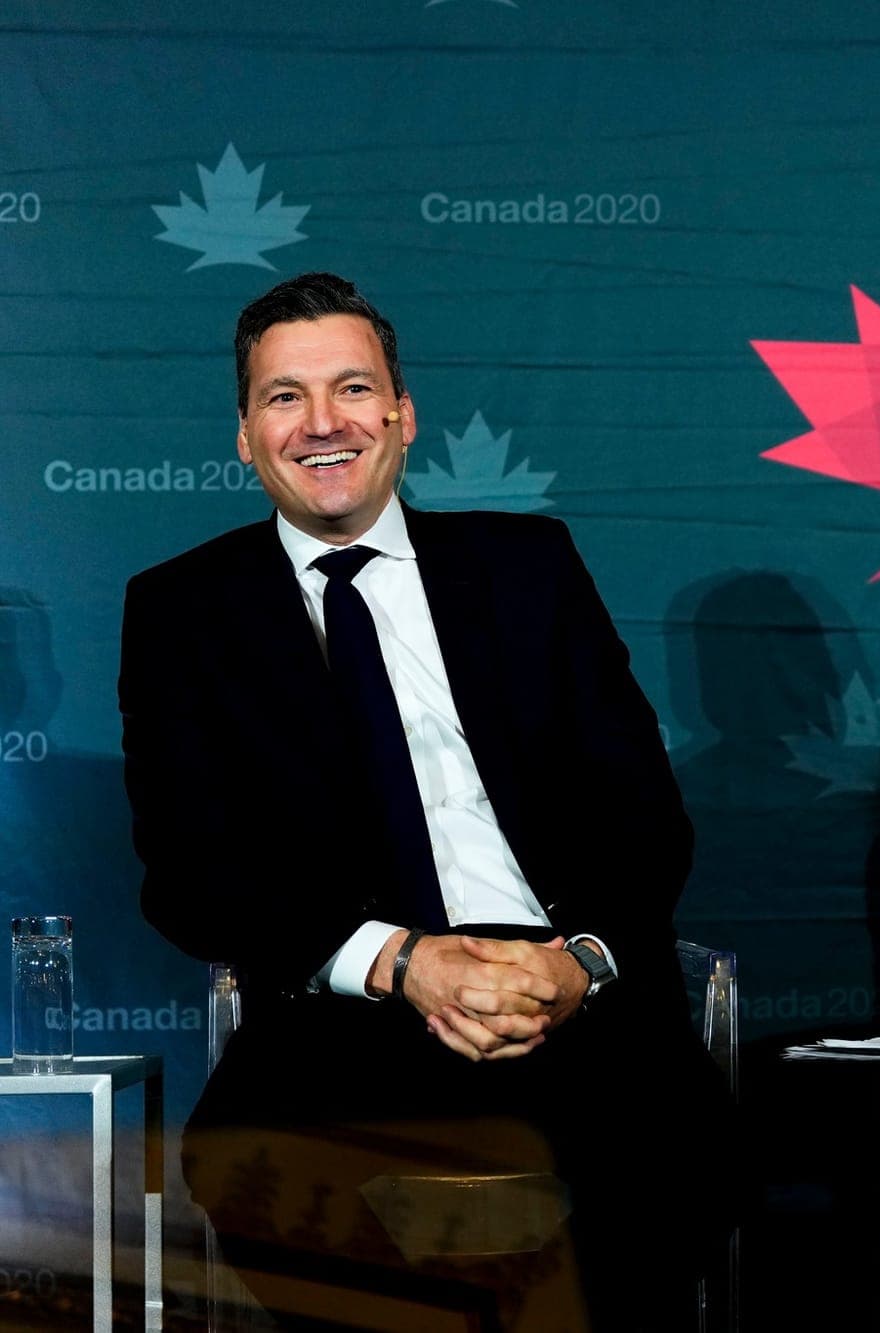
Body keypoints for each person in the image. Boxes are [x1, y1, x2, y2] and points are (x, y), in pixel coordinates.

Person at [120, 272, 728, 1329]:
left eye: (352, 389)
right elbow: (190, 873)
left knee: (646, 1192)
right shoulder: (182, 610)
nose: (322, 424)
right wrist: (403, 962)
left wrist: (575, 964)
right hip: (344, 1018)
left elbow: (644, 819)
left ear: (401, 416)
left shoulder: (525, 566)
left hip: (568, 1005)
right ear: (243, 435)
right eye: (283, 397)